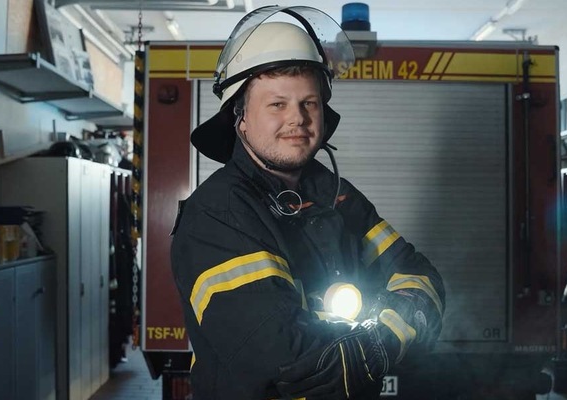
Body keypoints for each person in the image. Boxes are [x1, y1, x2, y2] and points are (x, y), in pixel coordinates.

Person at [170, 5, 445, 399]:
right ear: (240, 117)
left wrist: (375, 345)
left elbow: (421, 279)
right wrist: (386, 337)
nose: (297, 118)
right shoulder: (219, 214)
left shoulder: (338, 196)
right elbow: (280, 356)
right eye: (277, 104)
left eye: (309, 103)